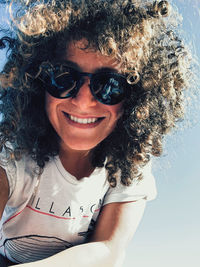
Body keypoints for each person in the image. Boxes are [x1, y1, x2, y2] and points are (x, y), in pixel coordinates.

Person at [0, 0, 192, 266]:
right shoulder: (13, 154)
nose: (83, 101)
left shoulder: (130, 166)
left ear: (135, 99)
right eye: (62, 77)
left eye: (110, 85)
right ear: (36, 84)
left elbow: (107, 250)